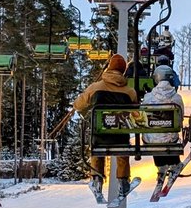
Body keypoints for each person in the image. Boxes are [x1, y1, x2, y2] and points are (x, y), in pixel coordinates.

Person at [73, 53, 138, 198]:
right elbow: (136, 112)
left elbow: (78, 104)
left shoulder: (95, 87)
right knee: (122, 148)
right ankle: (123, 180)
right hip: (120, 137)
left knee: (97, 149)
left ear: (109, 67)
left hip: (100, 137)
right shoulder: (129, 91)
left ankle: (97, 179)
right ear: (123, 71)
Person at [141, 66, 184, 187]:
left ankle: (161, 166)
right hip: (170, 139)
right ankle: (174, 164)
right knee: (168, 137)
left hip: (150, 140)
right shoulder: (177, 98)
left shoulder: (148, 97)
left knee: (154, 135)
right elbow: (180, 119)